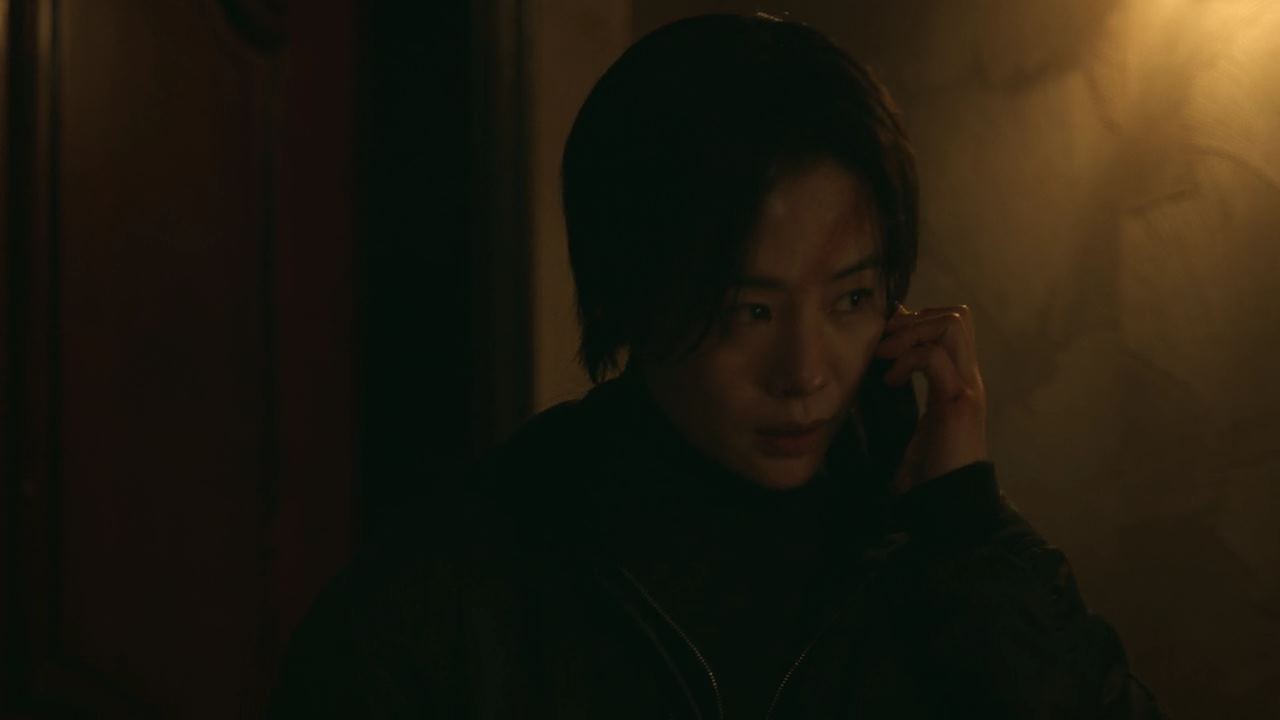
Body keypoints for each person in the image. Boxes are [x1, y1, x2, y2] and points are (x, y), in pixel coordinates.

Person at [269, 13, 1167, 718]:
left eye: (851, 299)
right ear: (635, 296)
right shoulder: (462, 592)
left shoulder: (932, 555)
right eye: (751, 311)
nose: (804, 372)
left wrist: (965, 524)